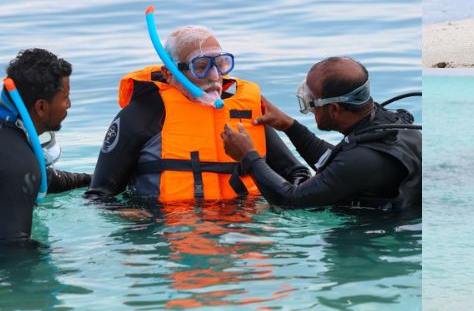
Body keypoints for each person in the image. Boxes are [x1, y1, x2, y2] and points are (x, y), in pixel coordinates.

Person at [87, 25, 309, 202]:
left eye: (221, 64)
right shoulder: (142, 115)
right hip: (165, 235)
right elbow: (98, 195)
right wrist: (131, 218)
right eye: (200, 66)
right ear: (169, 73)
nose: (214, 76)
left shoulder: (244, 112)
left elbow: (298, 174)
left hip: (241, 232)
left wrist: (278, 207)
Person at [220, 56, 420, 213]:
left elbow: (290, 200)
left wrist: (249, 157)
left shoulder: (361, 160)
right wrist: (290, 126)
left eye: (311, 101)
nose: (308, 105)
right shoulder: (388, 124)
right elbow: (336, 163)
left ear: (334, 109)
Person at [1, 49, 90, 243]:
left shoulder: (9, 138)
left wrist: (89, 179)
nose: (69, 104)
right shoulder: (18, 163)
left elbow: (38, 178)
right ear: (41, 107)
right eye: (65, 97)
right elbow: (13, 247)